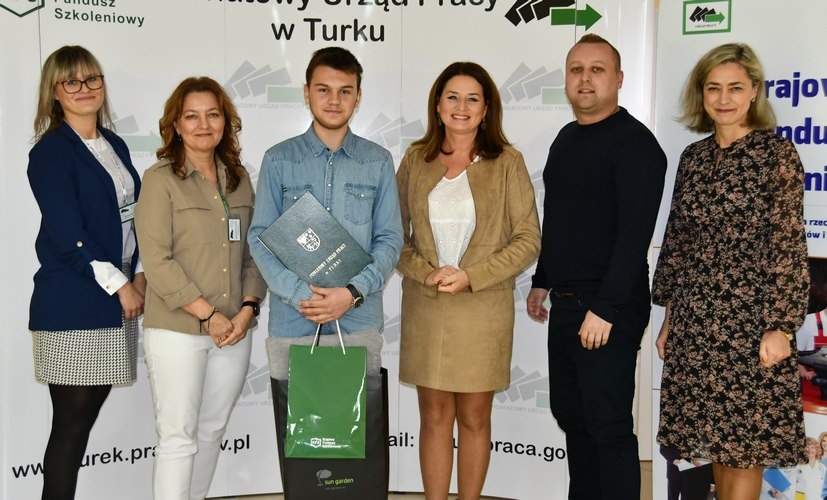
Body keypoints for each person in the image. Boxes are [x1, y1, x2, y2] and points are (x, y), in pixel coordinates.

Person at [652, 43, 809, 500]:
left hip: (750, 324)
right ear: (701, 94)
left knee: (743, 452)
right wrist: (670, 319)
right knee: (712, 449)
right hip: (696, 323)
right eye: (713, 88)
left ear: (755, 91)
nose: (723, 99)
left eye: (735, 88)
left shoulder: (776, 154)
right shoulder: (694, 157)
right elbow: (678, 242)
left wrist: (781, 325)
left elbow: (787, 244)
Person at [526, 34, 667, 499]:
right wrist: (542, 280)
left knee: (607, 426)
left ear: (619, 79)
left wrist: (605, 308)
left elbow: (634, 237)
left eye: (597, 69)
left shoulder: (637, 145)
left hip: (609, 307)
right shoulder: (566, 138)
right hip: (567, 302)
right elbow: (560, 218)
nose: (585, 79)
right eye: (576, 70)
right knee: (573, 418)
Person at [396, 62, 541, 499]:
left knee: (475, 418)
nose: (462, 107)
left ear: (486, 109)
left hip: (483, 310)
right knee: (433, 417)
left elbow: (528, 239)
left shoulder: (508, 162)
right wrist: (426, 272)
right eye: (453, 97)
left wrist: (471, 276)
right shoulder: (415, 160)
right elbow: (391, 237)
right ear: (438, 105)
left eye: (472, 98)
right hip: (427, 307)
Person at [135, 76, 266, 499]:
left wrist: (247, 310)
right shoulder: (160, 180)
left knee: (211, 431)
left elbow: (254, 253)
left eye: (213, 115)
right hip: (177, 330)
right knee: (178, 437)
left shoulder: (238, 179)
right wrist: (208, 315)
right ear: (176, 125)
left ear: (226, 122)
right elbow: (157, 261)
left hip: (233, 331)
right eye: (191, 116)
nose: (203, 125)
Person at [27, 45, 144, 500]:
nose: (84, 89)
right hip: (74, 300)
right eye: (71, 81)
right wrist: (120, 283)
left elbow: (129, 217)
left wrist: (138, 273)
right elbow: (66, 233)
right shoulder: (51, 152)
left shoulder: (113, 143)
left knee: (82, 421)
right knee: (70, 428)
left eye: (92, 78)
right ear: (54, 92)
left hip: (116, 292)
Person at [248, 46, 402, 339]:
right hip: (295, 318)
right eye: (323, 90)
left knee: (359, 377)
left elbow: (390, 239)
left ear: (358, 97)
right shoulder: (279, 159)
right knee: (289, 376)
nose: (334, 100)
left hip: (359, 317)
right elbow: (260, 238)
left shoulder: (378, 161)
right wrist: (301, 294)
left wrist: (352, 292)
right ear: (307, 93)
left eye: (345, 91)